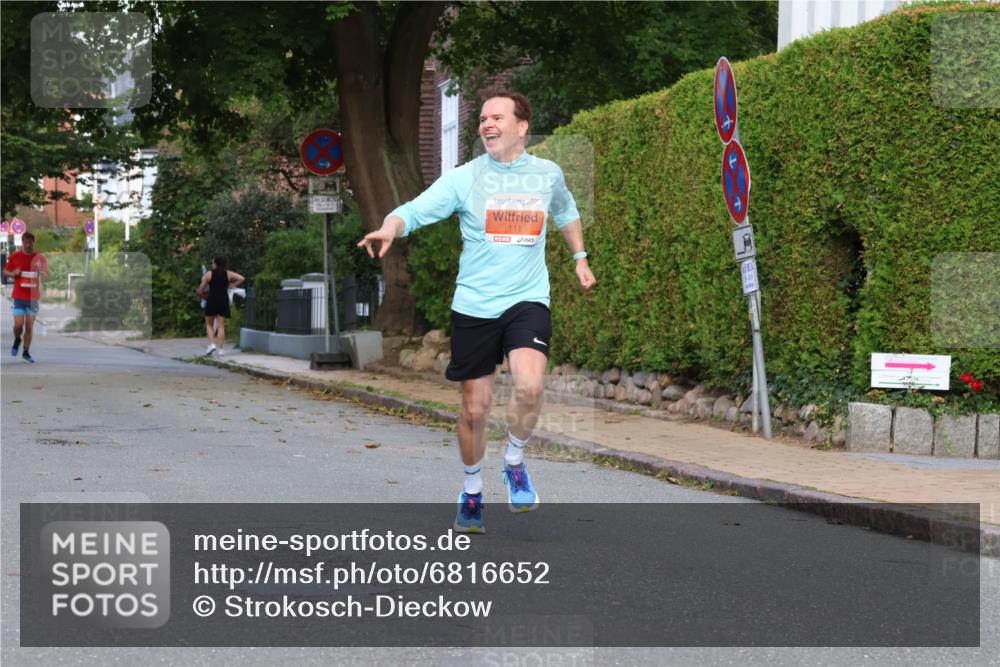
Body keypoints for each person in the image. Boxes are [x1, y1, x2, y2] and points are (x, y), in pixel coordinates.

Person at [358, 90, 596, 533]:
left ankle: (515, 461)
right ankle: (471, 490)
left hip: (527, 299)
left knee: (530, 385)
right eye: (483, 118)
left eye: (496, 117)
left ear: (521, 127)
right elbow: (414, 210)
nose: (487, 124)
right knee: (475, 408)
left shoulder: (547, 174)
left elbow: (566, 211)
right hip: (474, 306)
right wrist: (390, 226)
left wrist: (579, 257)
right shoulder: (465, 178)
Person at [4, 232, 49, 364]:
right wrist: (13, 273)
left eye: (30, 242)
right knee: (18, 325)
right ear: (22, 242)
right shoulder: (15, 256)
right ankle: (17, 339)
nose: (28, 245)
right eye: (26, 242)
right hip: (18, 297)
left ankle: (25, 352)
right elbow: (5, 272)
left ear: (33, 243)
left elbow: (46, 278)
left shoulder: (39, 258)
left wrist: (41, 271)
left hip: (33, 299)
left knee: (29, 326)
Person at [196, 257, 244, 356]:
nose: (212, 264)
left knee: (209, 324)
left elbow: (200, 289)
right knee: (221, 326)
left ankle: (212, 344)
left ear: (215, 264)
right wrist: (232, 285)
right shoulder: (228, 273)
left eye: (213, 262)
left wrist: (204, 296)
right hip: (223, 301)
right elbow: (241, 278)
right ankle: (221, 350)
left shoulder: (209, 274)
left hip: (212, 300)